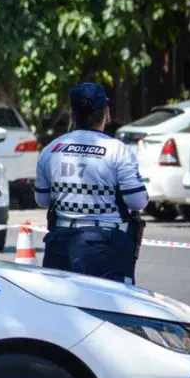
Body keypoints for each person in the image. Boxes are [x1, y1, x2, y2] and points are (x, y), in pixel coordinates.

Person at [34, 82, 148, 283]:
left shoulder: (51, 149)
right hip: (105, 248)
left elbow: (42, 200)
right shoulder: (118, 150)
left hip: (60, 244)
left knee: (61, 309)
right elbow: (137, 202)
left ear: (73, 114)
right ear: (106, 112)